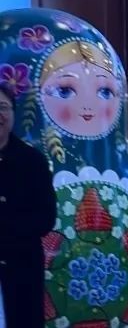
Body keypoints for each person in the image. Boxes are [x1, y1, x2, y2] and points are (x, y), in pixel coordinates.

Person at [0, 83, 57, 327]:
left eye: (3, 107)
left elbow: (46, 217)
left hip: (21, 266)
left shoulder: (32, 161)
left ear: (13, 113)